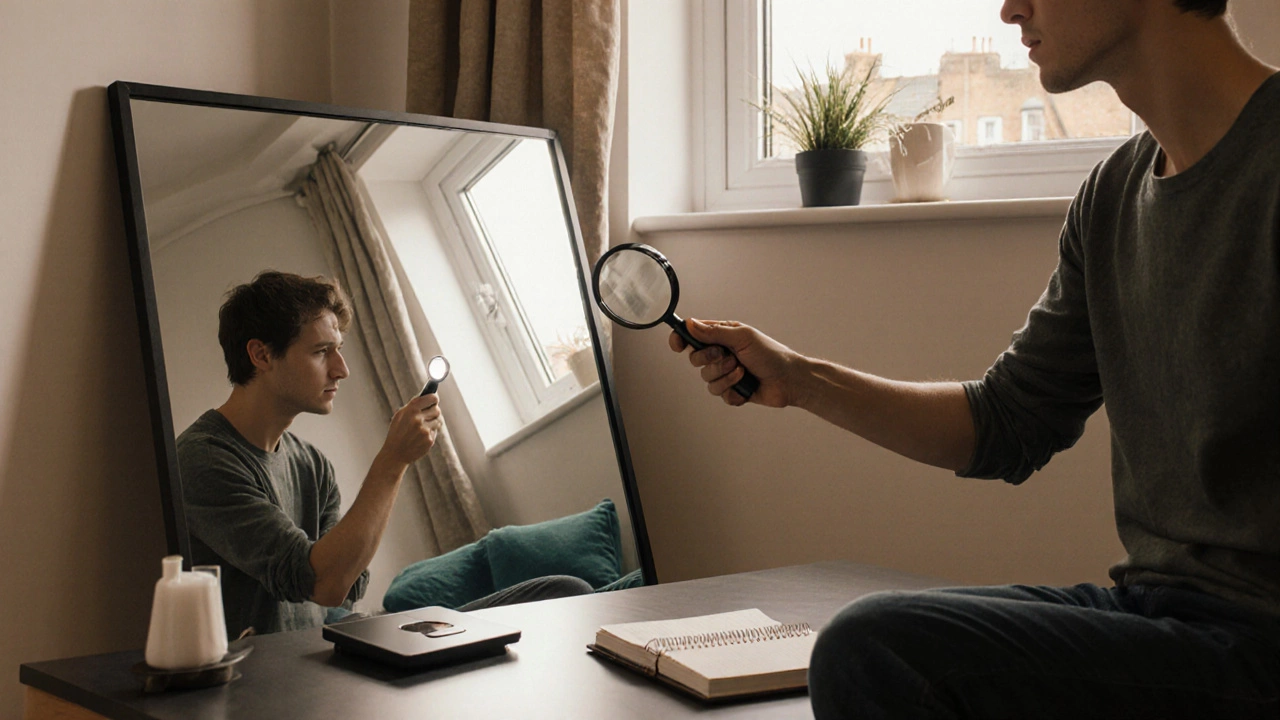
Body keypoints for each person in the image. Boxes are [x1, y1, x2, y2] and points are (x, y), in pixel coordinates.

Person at [671, 0, 1280, 717]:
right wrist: (800, 379)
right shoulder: (1112, 195)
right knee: (864, 626)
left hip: (1260, 641)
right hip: (1155, 608)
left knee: (878, 648)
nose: (1008, 8)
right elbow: (1006, 421)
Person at [178, 271, 590, 639]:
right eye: (322, 351)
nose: (341, 369)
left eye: (338, 350)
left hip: (338, 641)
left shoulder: (311, 464)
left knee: (566, 591)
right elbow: (326, 582)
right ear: (262, 355)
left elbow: (350, 588)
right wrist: (393, 460)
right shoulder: (204, 460)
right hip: (279, 678)